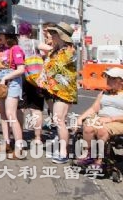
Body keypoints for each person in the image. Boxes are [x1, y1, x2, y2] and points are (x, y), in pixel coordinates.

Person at [37, 22, 77, 164]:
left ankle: (63, 152)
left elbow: (57, 68)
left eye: (54, 33)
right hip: (55, 90)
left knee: (59, 119)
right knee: (58, 120)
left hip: (65, 91)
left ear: (61, 36)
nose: (51, 35)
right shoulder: (56, 50)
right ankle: (61, 150)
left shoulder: (69, 50)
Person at [74, 67, 123, 169]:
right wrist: (80, 118)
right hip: (101, 118)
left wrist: (111, 119)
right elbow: (94, 108)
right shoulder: (103, 93)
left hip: (118, 121)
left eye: (112, 78)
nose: (108, 80)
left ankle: (100, 160)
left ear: (121, 81)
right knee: (88, 128)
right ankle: (89, 155)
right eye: (108, 77)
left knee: (102, 130)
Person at [0, 24, 26, 159]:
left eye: (1, 35)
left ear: (7, 36)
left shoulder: (16, 49)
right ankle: (7, 143)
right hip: (1, 81)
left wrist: (6, 77)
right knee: (3, 114)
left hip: (12, 82)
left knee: (11, 114)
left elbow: (21, 69)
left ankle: (19, 147)